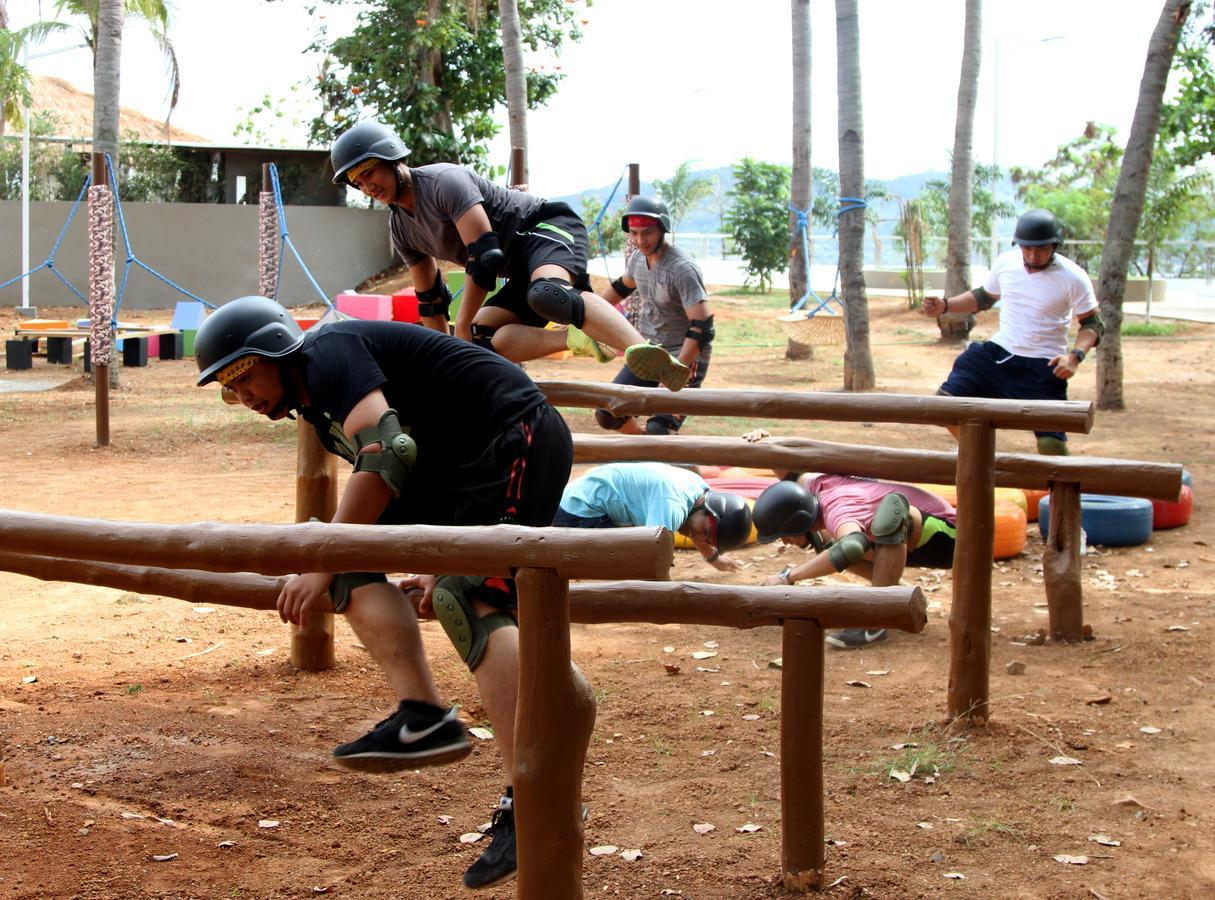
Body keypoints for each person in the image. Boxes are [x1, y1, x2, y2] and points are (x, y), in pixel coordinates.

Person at [194, 295, 573, 891]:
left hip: (512, 434)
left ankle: (532, 796)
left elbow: (389, 451)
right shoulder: (315, 407)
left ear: (276, 352)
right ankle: (423, 715)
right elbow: (393, 477)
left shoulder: (328, 353)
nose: (241, 396)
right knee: (358, 568)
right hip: (462, 465)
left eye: (243, 375)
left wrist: (321, 557)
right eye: (227, 387)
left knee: (471, 598)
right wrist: (387, 558)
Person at [329, 121, 690, 392]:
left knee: (547, 295)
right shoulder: (400, 228)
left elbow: (485, 255)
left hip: (545, 227)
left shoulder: (443, 182)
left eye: (369, 171)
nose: (367, 185)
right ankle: (578, 338)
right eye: (357, 182)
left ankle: (647, 355)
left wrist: (463, 326)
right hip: (517, 266)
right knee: (484, 341)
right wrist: (440, 358)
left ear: (391, 159)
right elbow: (430, 302)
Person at [922, 208, 1104, 456]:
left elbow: (1093, 324)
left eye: (1040, 248)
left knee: (1051, 446)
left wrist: (1074, 357)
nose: (1033, 254)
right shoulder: (1006, 263)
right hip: (999, 355)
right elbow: (984, 297)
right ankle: (980, 458)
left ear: (1054, 246)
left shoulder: (1073, 277)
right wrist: (945, 305)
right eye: (1026, 248)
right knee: (944, 405)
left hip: (1044, 365)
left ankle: (1065, 493)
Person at [753, 475, 956, 649]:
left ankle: (877, 619)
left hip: (949, 538)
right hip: (912, 544)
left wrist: (789, 576)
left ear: (797, 521)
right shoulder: (817, 486)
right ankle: (902, 595)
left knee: (888, 514)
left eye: (783, 535)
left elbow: (852, 547)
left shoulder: (836, 510)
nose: (786, 542)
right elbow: (793, 470)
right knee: (829, 545)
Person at [596, 196, 716, 434]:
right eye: (634, 233)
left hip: (683, 359)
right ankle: (656, 453)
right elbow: (621, 287)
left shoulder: (682, 269)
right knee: (609, 413)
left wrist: (677, 370)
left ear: (662, 229)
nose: (640, 240)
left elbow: (703, 327)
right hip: (649, 353)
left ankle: (662, 452)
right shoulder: (638, 259)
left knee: (660, 429)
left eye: (647, 233)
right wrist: (582, 312)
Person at [553, 462, 753, 571]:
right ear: (707, 508)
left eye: (708, 539)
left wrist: (714, 558)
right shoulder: (671, 506)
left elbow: (698, 531)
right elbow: (651, 560)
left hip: (585, 496)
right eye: (705, 531)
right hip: (579, 511)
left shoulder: (698, 489)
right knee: (629, 564)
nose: (699, 537)